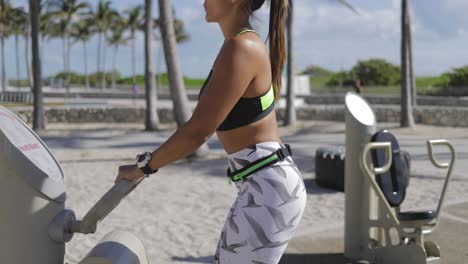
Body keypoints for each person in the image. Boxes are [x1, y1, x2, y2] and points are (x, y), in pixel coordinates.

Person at [115, 0, 307, 263]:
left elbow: (198, 132)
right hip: (262, 183)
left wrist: (142, 168)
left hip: (268, 186)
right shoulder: (239, 45)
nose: (202, 1)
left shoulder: (242, 47)